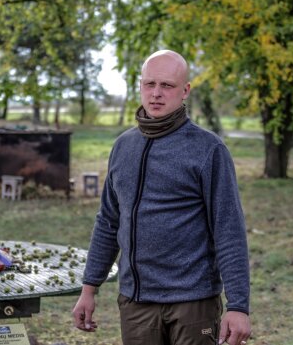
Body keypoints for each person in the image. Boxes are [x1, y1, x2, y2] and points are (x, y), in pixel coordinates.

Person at [72, 50, 251, 345]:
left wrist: (238, 306)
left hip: (193, 303)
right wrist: (89, 289)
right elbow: (108, 222)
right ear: (140, 86)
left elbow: (228, 230)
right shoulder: (123, 147)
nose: (156, 94)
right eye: (149, 84)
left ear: (185, 91)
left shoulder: (208, 149)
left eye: (166, 85)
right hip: (136, 302)